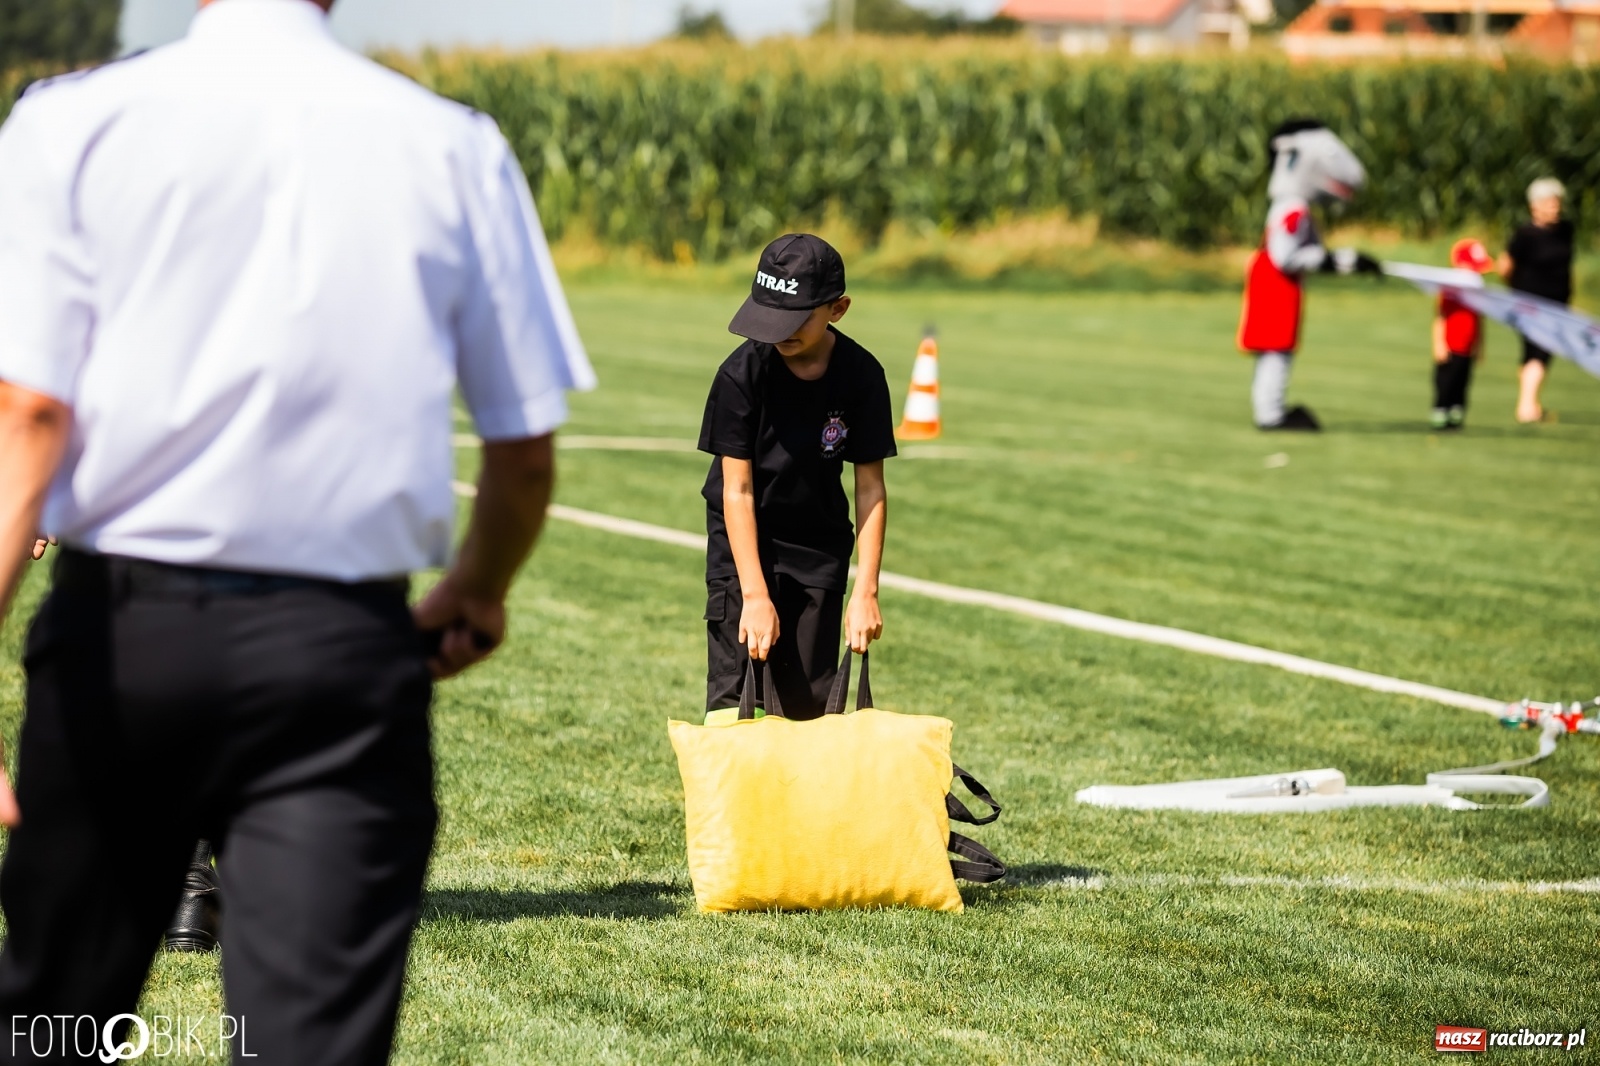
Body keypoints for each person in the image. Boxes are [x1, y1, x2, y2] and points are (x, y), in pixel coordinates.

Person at [0, 0, 595, 1063]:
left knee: (56, 1025)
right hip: (339, 652)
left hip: (121, 640)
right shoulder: (450, 142)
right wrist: (479, 582)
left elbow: (31, 417)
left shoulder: (70, 122)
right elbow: (525, 452)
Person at [698, 234, 894, 723]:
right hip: (744, 547)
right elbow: (736, 491)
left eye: (797, 318)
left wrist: (865, 592)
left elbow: (870, 489)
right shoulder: (740, 375)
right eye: (770, 317)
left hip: (817, 552)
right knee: (733, 711)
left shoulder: (862, 376)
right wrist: (755, 596)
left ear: (838, 309)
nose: (779, 331)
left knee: (806, 713)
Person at [1237, 119, 1382, 431]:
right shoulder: (1293, 210)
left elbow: (1316, 254)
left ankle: (1270, 410)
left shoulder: (1296, 208)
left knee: (1278, 348)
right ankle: (1270, 414)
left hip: (1280, 282)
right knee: (1276, 348)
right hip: (1276, 283)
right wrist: (1333, 261)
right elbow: (1287, 255)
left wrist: (1349, 261)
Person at [1499, 177, 1575, 424]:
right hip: (1530, 304)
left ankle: (1530, 402)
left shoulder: (1566, 230)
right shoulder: (1525, 235)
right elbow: (1505, 266)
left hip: (1558, 304)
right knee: (1539, 351)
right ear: (1535, 205)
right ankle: (1527, 408)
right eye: (1550, 202)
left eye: (1557, 202)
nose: (1555, 207)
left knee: (1536, 353)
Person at [1430, 238, 1496, 430]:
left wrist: (1480, 346)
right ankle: (1440, 414)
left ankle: (1457, 415)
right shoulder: (1450, 290)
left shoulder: (1477, 291)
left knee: (1463, 383)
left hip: (1468, 347)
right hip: (1450, 345)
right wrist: (1439, 344)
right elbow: (1441, 317)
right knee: (1445, 382)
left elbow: (1479, 322)